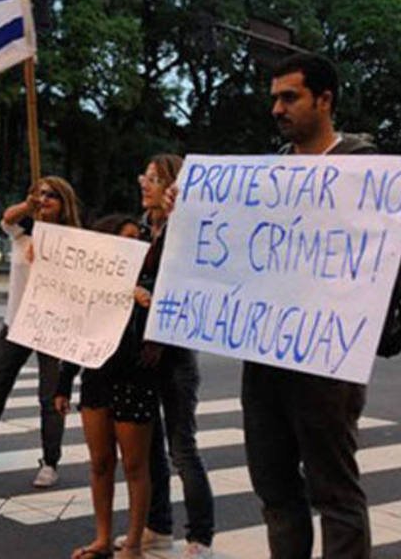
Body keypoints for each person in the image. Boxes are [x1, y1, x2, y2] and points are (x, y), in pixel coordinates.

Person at [161, 53, 374, 558]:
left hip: (328, 360)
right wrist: (187, 210)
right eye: (274, 98)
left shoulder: (364, 169)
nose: (277, 108)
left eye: (290, 97)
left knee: (335, 492)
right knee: (275, 491)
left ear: (324, 100)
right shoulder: (266, 174)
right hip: (264, 359)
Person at [0, 176, 82, 488]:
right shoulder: (22, 232)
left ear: (64, 203)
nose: (45, 199)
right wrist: (28, 206)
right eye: (40, 194)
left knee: (51, 397)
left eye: (52, 196)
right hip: (16, 324)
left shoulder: (74, 242)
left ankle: (50, 461)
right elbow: (8, 217)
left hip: (52, 327)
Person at [113, 155, 216, 559]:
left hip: (173, 356)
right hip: (140, 354)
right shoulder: (140, 230)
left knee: (181, 448)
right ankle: (157, 527)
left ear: (172, 185)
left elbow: (191, 281)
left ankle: (200, 537)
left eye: (154, 179)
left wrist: (150, 294)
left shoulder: (183, 231)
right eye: (144, 177)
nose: (145, 184)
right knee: (149, 447)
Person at [55, 211, 159, 559]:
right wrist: (62, 383)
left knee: (134, 465)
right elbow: (76, 334)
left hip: (136, 379)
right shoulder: (91, 287)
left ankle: (132, 543)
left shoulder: (151, 281)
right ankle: (102, 538)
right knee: (100, 462)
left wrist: (144, 304)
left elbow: (166, 328)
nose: (134, 244)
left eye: (137, 238)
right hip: (97, 379)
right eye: (125, 239)